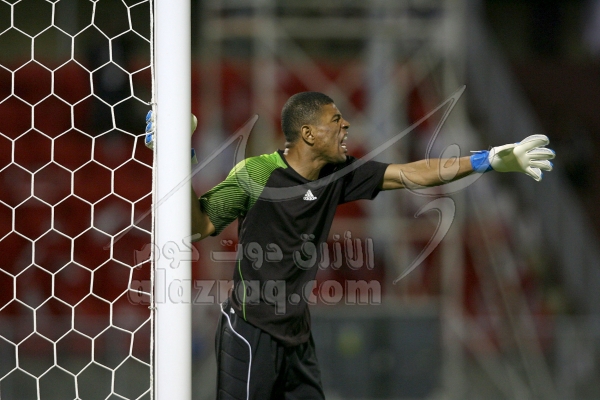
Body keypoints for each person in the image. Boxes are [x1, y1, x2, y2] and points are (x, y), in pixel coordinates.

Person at [145, 91, 555, 400]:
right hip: (250, 331)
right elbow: (197, 226)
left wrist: (487, 160)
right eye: (335, 120)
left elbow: (412, 173)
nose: (346, 127)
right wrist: (174, 161)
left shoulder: (337, 174)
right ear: (308, 133)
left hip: (297, 335)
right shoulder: (257, 174)